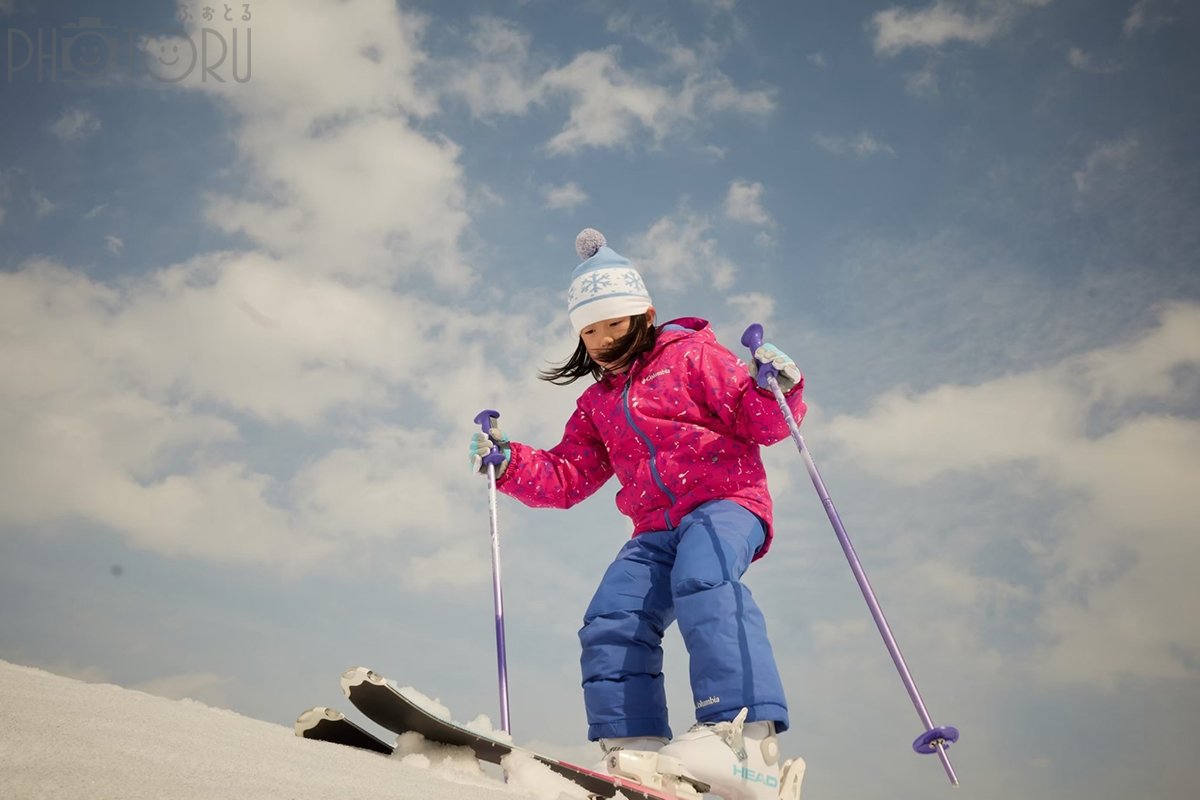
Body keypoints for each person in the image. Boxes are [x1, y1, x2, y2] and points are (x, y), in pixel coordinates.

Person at [469, 229, 807, 800]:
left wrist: (777, 388)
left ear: (643, 314)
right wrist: (510, 464)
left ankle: (741, 738)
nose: (602, 339)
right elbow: (568, 475)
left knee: (703, 577)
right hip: (655, 526)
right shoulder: (597, 403)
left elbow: (763, 423)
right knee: (612, 617)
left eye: (614, 324)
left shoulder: (694, 357)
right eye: (590, 328)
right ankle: (638, 747)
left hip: (726, 503)